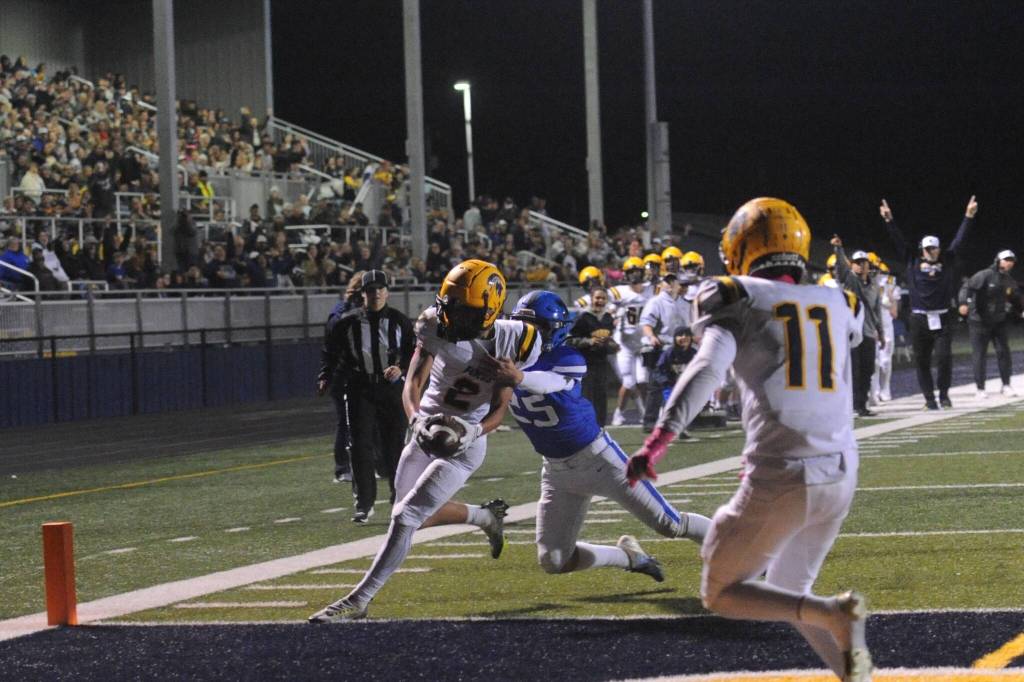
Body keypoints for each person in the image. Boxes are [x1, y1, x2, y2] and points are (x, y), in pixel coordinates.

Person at [628, 198, 872, 682]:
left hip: (783, 469)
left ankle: (833, 615)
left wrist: (657, 441)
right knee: (787, 591)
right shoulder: (838, 300)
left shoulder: (734, 295)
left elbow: (707, 368)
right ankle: (855, 675)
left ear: (740, 248)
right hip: (841, 472)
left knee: (720, 592)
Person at [309, 259, 541, 623]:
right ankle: (485, 517)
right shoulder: (433, 323)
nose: (455, 317)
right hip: (426, 426)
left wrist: (474, 431)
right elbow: (413, 383)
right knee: (411, 515)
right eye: (453, 307)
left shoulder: (515, 338)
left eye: (466, 311)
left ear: (491, 308)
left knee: (406, 515)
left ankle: (359, 600)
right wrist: (417, 420)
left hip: (466, 441)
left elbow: (499, 410)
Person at [487, 290, 710, 581]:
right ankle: (628, 557)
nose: (529, 333)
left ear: (554, 330)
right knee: (554, 560)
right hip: (555, 471)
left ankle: (745, 550)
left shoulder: (566, 356)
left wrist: (519, 377)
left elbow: (549, 383)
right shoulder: (503, 358)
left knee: (669, 524)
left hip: (599, 459)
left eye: (537, 327)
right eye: (523, 325)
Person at [318, 271, 415, 522]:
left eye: (380, 289)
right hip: (360, 386)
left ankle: (399, 498)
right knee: (359, 445)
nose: (376, 294)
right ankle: (364, 503)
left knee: (395, 444)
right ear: (363, 293)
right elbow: (331, 352)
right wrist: (325, 375)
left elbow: (413, 352)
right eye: (371, 290)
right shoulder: (347, 322)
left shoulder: (400, 321)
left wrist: (401, 367)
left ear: (387, 292)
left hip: (390, 388)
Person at [880, 195, 977, 409]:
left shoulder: (946, 260)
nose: (934, 252)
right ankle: (929, 399)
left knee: (944, 358)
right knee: (922, 361)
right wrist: (889, 221)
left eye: (935, 248)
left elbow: (959, 242)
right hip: (919, 318)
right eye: (929, 249)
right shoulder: (912, 261)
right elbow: (897, 240)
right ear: (922, 250)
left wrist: (968, 217)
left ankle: (943, 395)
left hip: (942, 317)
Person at [318, 273, 365, 484]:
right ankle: (342, 468)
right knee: (345, 422)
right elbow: (331, 341)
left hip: (360, 373)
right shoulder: (342, 312)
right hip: (343, 373)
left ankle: (371, 463)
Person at [830, 237, 885, 417]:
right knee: (853, 371)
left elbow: (877, 312)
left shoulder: (874, 286)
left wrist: (881, 333)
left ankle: (861, 404)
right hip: (850, 334)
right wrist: (838, 249)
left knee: (867, 370)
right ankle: (852, 404)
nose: (861, 266)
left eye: (864, 263)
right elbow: (841, 268)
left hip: (868, 332)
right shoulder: (849, 281)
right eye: (857, 263)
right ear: (852, 265)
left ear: (869, 265)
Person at [959, 249, 1021, 398]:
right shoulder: (985, 275)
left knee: (1003, 353)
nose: (1009, 263)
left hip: (998, 321)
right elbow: (967, 287)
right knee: (979, 355)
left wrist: (1020, 310)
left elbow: (1016, 298)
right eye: (1006, 259)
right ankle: (980, 388)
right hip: (979, 321)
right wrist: (963, 303)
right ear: (998, 260)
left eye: (1011, 260)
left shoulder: (1008, 280)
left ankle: (1006, 385)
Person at [639, 271, 691, 431]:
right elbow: (646, 323)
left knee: (682, 385)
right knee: (657, 385)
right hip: (661, 347)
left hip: (680, 348)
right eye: (666, 281)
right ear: (661, 284)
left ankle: (680, 419)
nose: (669, 284)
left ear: (678, 285)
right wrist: (652, 337)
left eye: (672, 281)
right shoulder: (655, 302)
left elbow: (691, 327)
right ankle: (650, 421)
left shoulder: (685, 304)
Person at [610, 256, 654, 425]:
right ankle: (618, 414)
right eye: (631, 272)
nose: (634, 275)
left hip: (643, 341)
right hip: (624, 344)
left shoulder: (651, 290)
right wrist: (612, 314)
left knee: (643, 380)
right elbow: (604, 303)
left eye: (637, 271)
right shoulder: (619, 291)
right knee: (628, 381)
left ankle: (646, 413)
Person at [566, 287, 618, 426]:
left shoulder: (608, 318)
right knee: (586, 397)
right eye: (597, 298)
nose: (600, 301)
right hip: (585, 363)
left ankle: (600, 428)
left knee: (601, 397)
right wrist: (588, 341)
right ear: (591, 299)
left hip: (601, 362)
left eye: (603, 298)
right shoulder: (583, 317)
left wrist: (612, 346)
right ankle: (585, 427)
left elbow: (610, 340)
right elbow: (568, 340)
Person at [872, 261, 900, 403]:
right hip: (872, 325)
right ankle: (874, 391)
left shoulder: (891, 286)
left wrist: (888, 294)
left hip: (887, 327)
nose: (882, 276)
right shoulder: (867, 286)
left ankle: (885, 389)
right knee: (874, 361)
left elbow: (894, 313)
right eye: (879, 273)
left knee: (885, 361)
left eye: (884, 273)